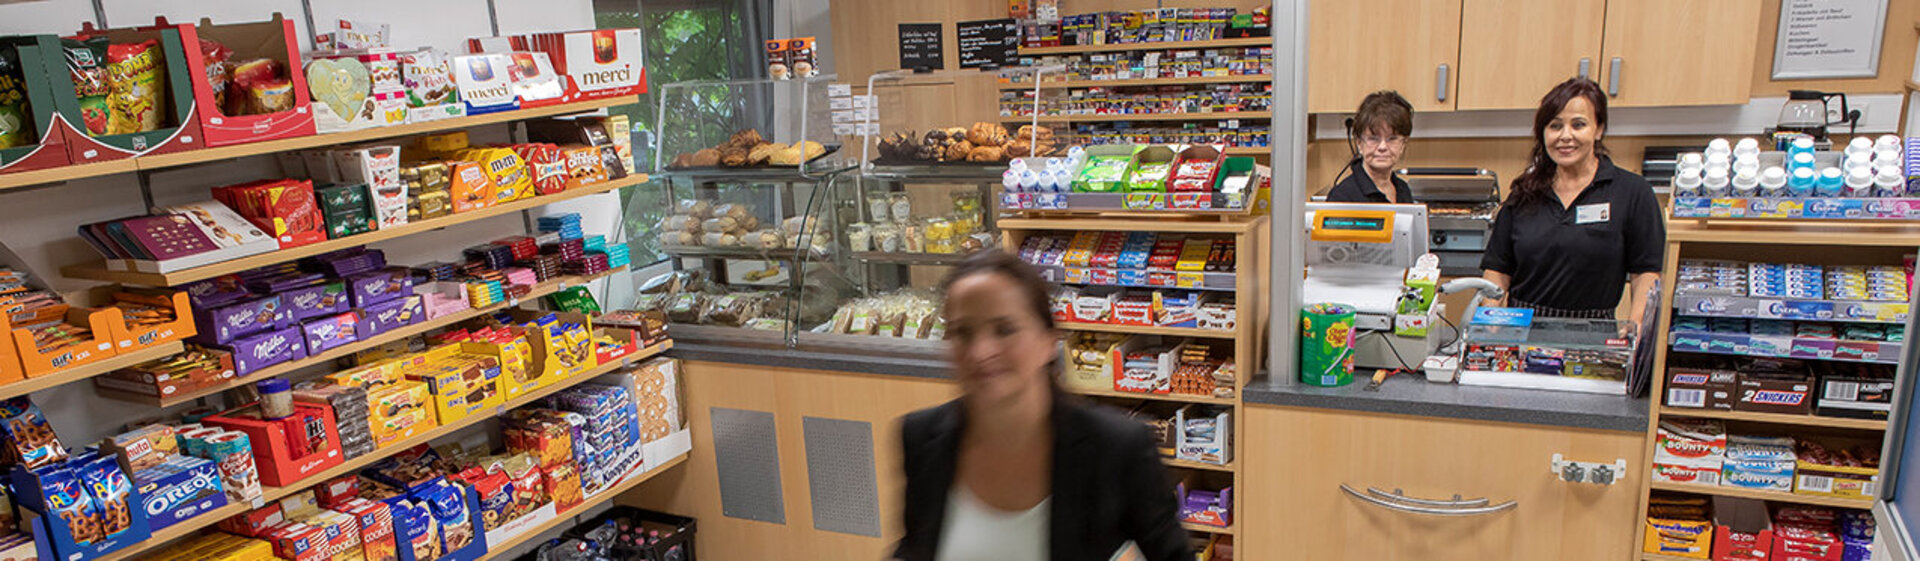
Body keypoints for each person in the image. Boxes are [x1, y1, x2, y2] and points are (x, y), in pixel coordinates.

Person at [893, 250, 1188, 561]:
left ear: (1048, 341)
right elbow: (916, 544)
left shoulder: (1116, 448)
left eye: (1004, 329)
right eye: (963, 332)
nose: (980, 351)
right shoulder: (921, 437)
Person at [1482, 77, 1664, 329]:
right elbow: (1498, 271)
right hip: (1521, 333)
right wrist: (1487, 327)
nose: (1565, 136)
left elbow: (1645, 273)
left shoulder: (1632, 192)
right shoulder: (1524, 193)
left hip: (1593, 337)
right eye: (1555, 126)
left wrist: (1636, 328)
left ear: (1599, 129)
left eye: (1578, 125)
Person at [1325, 90, 1415, 203]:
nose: (1382, 147)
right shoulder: (1342, 197)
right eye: (1373, 138)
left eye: (1392, 139)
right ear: (1359, 143)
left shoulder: (1403, 189)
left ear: (1403, 144)